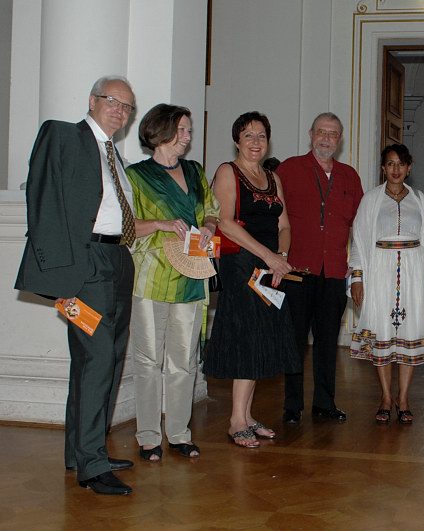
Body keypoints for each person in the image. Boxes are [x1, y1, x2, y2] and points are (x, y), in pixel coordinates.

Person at [15, 76, 137, 495]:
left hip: (117, 259)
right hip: (86, 264)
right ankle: (92, 464)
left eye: (127, 106)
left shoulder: (116, 156)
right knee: (97, 360)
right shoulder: (63, 135)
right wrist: (60, 276)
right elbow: (42, 200)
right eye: (113, 101)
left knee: (107, 360)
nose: (120, 111)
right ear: (92, 100)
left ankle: (82, 450)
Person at [126, 104, 220, 461]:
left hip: (191, 275)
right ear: (160, 131)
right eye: (181, 129)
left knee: (184, 361)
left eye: (189, 130)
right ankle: (149, 437)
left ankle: (180, 433)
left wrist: (208, 226)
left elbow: (211, 209)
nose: (187, 136)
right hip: (150, 279)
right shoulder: (136, 176)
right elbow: (124, 225)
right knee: (148, 360)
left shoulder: (195, 171)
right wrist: (161, 224)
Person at [203, 112, 301, 447]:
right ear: (237, 140)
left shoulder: (273, 178)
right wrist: (268, 256)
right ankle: (235, 421)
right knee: (247, 340)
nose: (256, 142)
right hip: (242, 265)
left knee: (261, 339)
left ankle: (246, 415)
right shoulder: (227, 172)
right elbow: (225, 222)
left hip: (271, 267)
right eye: (248, 135)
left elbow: (284, 225)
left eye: (261, 135)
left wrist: (281, 258)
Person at [278, 112, 364, 424]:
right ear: (311, 134)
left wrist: (358, 269)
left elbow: (360, 226)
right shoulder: (288, 170)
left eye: (333, 134)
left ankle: (325, 403)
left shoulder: (349, 176)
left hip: (334, 273)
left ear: (340, 140)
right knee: (295, 340)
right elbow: (275, 218)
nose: (326, 138)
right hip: (297, 270)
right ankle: (292, 406)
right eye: (321, 132)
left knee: (328, 341)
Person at [349, 144, 424, 423]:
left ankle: (403, 399)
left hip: (414, 272)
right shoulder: (371, 199)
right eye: (390, 163)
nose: (395, 169)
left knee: (409, 333)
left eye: (401, 164)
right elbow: (359, 239)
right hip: (379, 271)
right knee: (382, 332)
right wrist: (357, 277)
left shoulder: (419, 198)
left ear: (409, 167)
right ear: (383, 168)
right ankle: (385, 398)